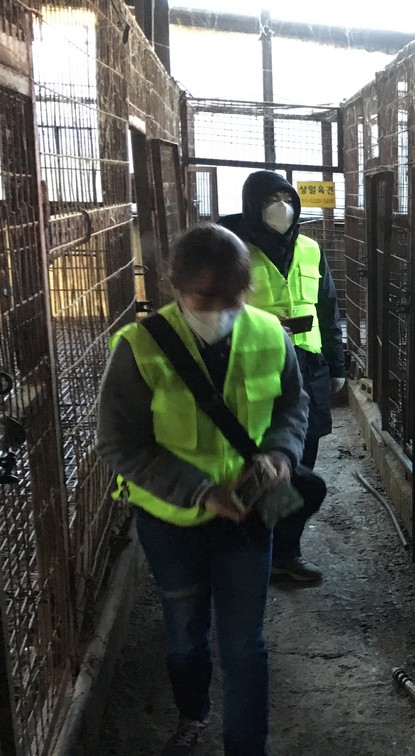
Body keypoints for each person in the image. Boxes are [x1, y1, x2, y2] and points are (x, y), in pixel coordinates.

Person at [96, 225, 308, 755]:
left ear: (247, 289)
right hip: (171, 521)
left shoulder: (270, 334)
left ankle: (246, 747)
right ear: (174, 288)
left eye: (232, 297)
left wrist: (281, 456)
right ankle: (193, 713)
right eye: (204, 298)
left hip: (249, 515)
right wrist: (200, 491)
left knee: (244, 644)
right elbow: (120, 444)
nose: (220, 310)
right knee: (186, 636)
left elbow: (292, 405)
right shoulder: (139, 349)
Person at [220, 171, 345, 582]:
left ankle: (285, 551)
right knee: (259, 459)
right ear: (251, 205)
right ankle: (254, 546)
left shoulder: (310, 248)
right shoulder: (234, 248)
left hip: (309, 366)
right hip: (255, 366)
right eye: (270, 199)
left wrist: (337, 366)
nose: (281, 207)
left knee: (300, 461)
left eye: (287, 198)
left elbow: (328, 307)